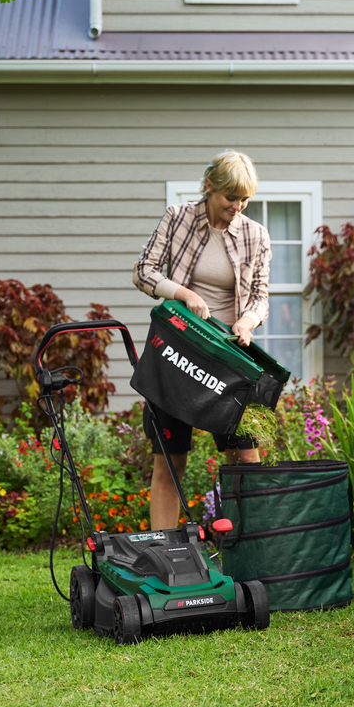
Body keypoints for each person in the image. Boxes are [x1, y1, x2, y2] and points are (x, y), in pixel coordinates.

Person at [132, 150, 271, 529]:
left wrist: (247, 319)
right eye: (231, 197)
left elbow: (261, 295)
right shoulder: (177, 219)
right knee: (170, 462)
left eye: (244, 200)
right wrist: (181, 293)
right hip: (178, 358)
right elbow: (142, 271)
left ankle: (246, 550)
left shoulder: (255, 235)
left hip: (231, 362)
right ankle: (165, 554)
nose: (237, 207)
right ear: (209, 186)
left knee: (245, 460)